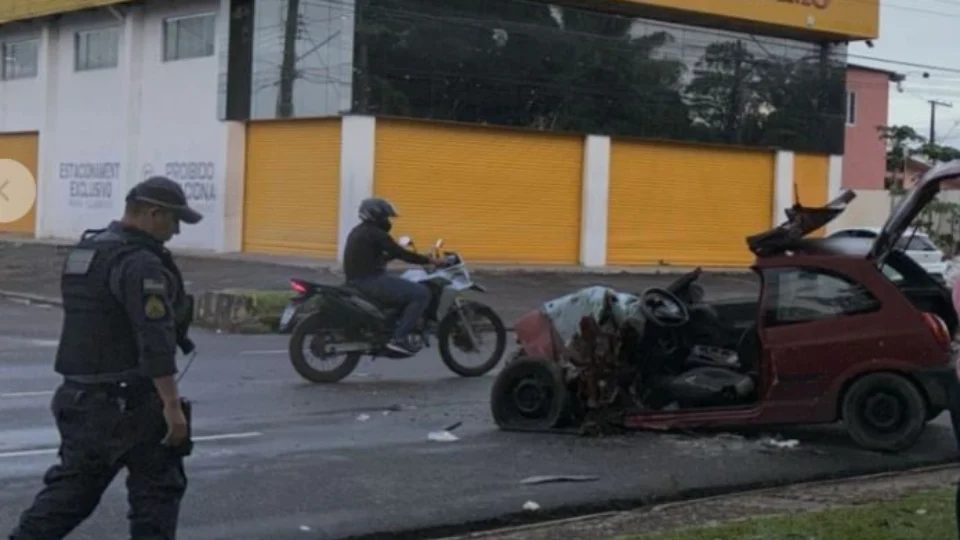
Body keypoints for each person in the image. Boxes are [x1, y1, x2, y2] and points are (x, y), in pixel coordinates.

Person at [8, 176, 202, 540]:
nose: (176, 231)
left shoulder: (87, 251)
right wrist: (172, 406)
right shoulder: (140, 263)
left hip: (79, 398)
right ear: (153, 213)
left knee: (70, 494)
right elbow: (155, 339)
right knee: (157, 495)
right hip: (130, 402)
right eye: (174, 220)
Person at [342, 197, 446, 356]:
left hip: (358, 280)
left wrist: (390, 257)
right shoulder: (375, 233)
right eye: (385, 217)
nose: (387, 221)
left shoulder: (359, 231)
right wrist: (430, 260)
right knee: (422, 293)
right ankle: (399, 338)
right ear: (375, 215)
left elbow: (375, 256)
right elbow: (400, 253)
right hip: (370, 281)